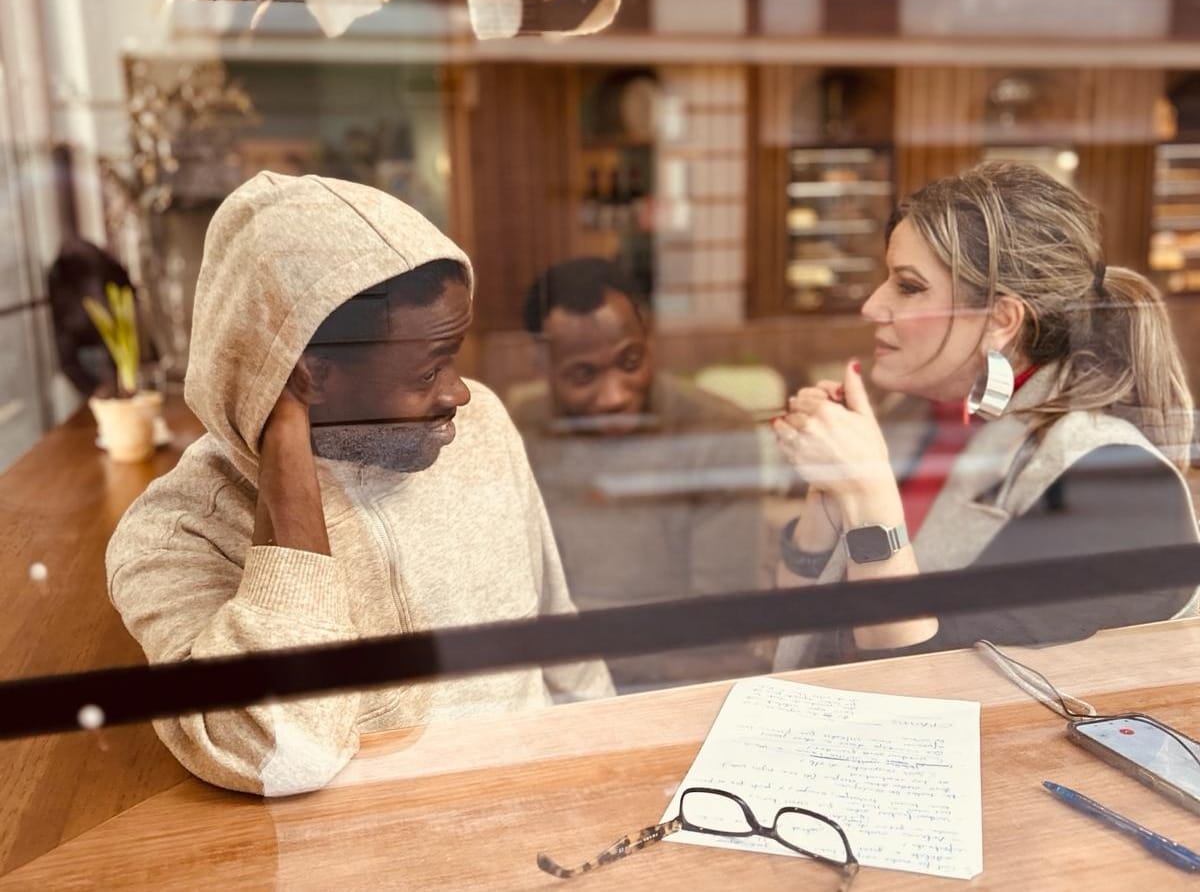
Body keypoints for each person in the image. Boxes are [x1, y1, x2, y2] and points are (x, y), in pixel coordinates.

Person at [106, 172, 613, 796]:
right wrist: (283, 443)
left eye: (454, 357)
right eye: (429, 369)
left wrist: (609, 768)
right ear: (308, 378)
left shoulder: (484, 425)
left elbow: (557, 633)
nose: (459, 393)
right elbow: (273, 755)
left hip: (541, 812)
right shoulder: (176, 535)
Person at [772, 161, 1200, 667]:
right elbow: (797, 626)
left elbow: (938, 682)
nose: (871, 305)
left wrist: (866, 493)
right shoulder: (920, 422)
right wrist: (828, 490)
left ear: (1001, 320)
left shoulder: (1119, 483)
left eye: (908, 287)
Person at [510, 257, 771, 692]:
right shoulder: (524, 426)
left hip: (682, 681)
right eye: (582, 374)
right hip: (558, 680)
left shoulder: (715, 430)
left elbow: (725, 616)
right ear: (542, 364)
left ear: (649, 338)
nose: (613, 396)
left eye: (629, 362)